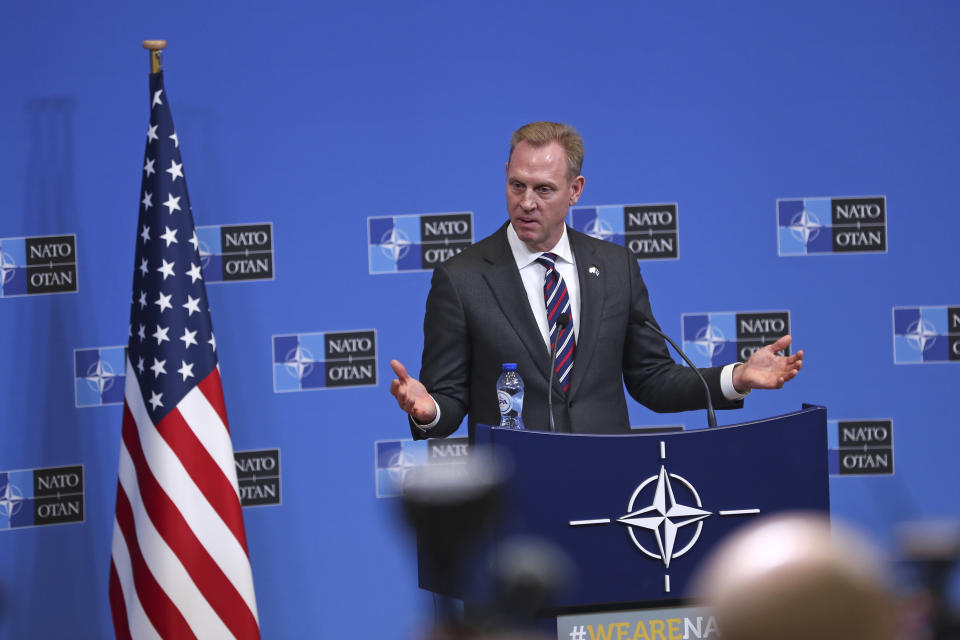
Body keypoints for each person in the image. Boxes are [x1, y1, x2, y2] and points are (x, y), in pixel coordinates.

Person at [390, 121, 802, 440]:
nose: (526, 202)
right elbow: (448, 398)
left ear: (575, 190)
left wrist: (737, 378)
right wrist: (428, 412)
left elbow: (653, 379)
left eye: (544, 189)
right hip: (513, 494)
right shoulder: (462, 279)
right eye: (517, 185)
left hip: (610, 487)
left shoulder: (615, 267)